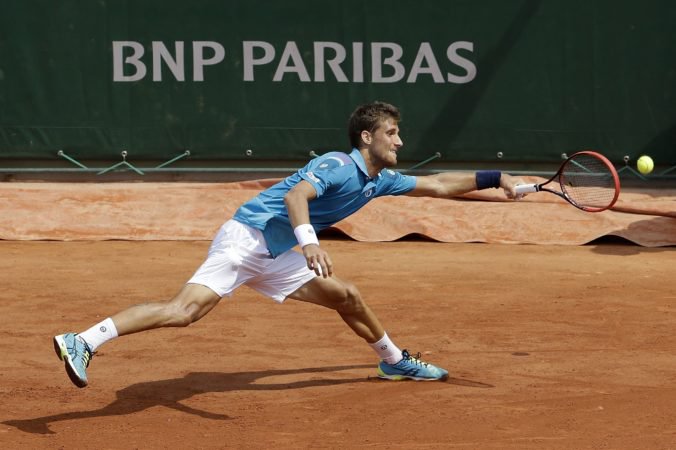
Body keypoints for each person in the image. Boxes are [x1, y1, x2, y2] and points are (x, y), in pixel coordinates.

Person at [54, 101, 523, 388]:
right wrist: (309, 244)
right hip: (250, 239)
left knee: (346, 295)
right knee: (183, 312)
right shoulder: (339, 164)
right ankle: (83, 340)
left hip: (276, 252)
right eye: (391, 133)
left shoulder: (381, 179)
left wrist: (497, 177)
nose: (400, 140)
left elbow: (440, 185)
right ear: (367, 137)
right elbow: (299, 195)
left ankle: (395, 363)